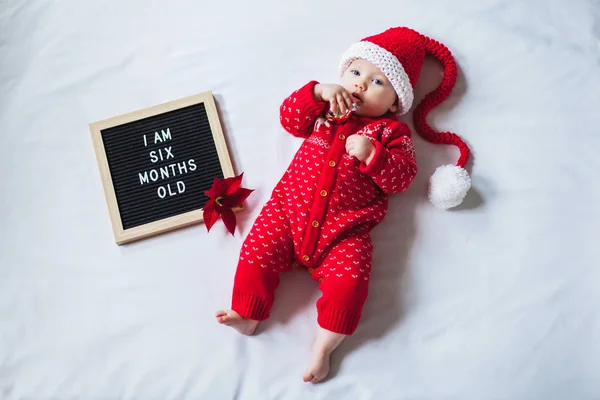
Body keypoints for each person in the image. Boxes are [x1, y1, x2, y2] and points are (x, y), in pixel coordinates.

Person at [216, 26, 472, 383]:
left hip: (344, 232)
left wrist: (373, 155)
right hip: (287, 214)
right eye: (355, 72)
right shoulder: (326, 108)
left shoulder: (391, 134)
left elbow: (402, 178)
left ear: (396, 103)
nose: (361, 85)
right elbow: (289, 118)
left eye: (378, 82)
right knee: (256, 251)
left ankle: (324, 347)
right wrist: (318, 92)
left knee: (350, 285)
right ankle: (248, 312)